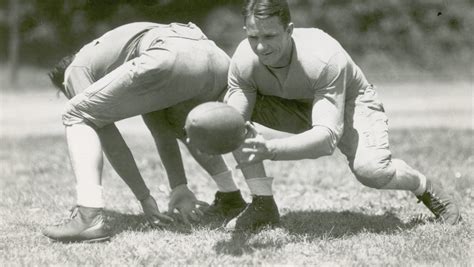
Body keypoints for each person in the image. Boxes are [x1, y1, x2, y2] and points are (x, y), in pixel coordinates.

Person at [220, 0, 461, 231]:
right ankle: (262, 203)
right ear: (246, 31)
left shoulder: (322, 56)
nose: (261, 47)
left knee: (372, 171)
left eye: (270, 36)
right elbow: (233, 119)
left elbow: (326, 140)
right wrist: (215, 134)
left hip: (349, 104)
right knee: (226, 117)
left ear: (289, 30)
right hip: (292, 106)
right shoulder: (243, 59)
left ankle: (423, 185)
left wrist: (270, 149)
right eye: (253, 37)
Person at [43, 22, 247, 243]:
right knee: (184, 122)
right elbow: (162, 130)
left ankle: (88, 216)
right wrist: (179, 187)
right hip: (215, 56)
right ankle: (232, 196)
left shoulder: (75, 71)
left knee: (76, 113)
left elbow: (112, 143)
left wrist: (144, 198)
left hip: (170, 55)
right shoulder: (119, 52)